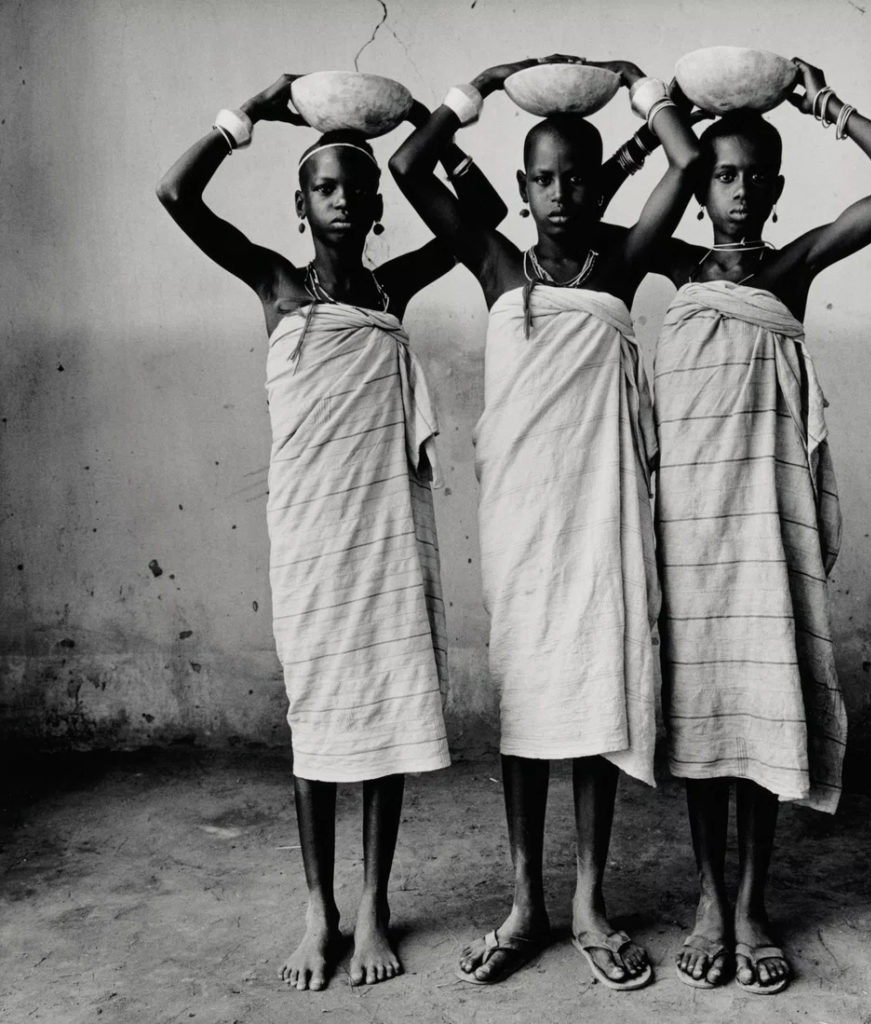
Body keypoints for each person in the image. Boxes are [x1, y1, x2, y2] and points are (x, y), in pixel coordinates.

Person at [156, 73, 505, 991]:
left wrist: (456, 110)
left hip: (384, 527)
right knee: (317, 720)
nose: (343, 199)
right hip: (311, 534)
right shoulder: (273, 282)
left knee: (384, 706)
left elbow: (488, 213)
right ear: (301, 203)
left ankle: (375, 902)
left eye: (358, 187)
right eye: (325, 188)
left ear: (380, 203)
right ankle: (319, 909)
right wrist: (253, 110)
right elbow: (175, 195)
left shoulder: (394, 286)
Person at [390, 56, 701, 990]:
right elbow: (410, 170)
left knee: (597, 702)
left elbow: (683, 169)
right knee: (529, 709)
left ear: (599, 179)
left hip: (601, 514)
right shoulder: (494, 261)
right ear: (521, 190)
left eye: (578, 176)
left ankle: (589, 902)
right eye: (545, 178)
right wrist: (474, 89)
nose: (562, 192)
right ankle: (526, 899)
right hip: (525, 518)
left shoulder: (623, 260)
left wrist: (644, 88)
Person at [636, 58, 871, 993]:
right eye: (719, 174)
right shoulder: (669, 262)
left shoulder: (792, 266)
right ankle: (706, 898)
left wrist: (826, 105)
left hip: (764, 532)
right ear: (697, 187)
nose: (737, 192)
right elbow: (566, 232)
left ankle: (755, 901)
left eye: (753, 177)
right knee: (702, 720)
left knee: (763, 716)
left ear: (774, 187)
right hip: (689, 534)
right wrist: (656, 119)